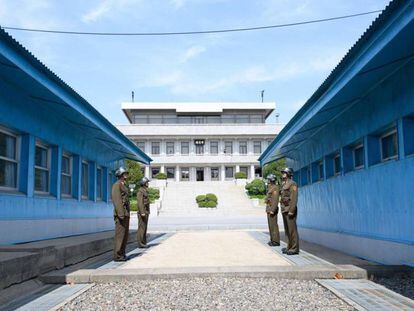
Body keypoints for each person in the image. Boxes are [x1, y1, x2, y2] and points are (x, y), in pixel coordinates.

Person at [112, 166, 130, 261]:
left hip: (125, 213)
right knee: (120, 235)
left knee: (125, 235)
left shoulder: (123, 184)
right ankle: (117, 255)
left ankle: (122, 253)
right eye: (125, 173)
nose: (126, 175)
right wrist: (121, 213)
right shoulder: (117, 185)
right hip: (121, 214)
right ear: (121, 175)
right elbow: (117, 199)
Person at [280, 167, 300, 255]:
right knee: (287, 230)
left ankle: (294, 248)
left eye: (284, 172)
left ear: (289, 174)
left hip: (289, 210)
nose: (283, 174)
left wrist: (291, 210)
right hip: (284, 209)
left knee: (292, 230)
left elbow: (294, 198)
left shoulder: (293, 184)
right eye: (283, 172)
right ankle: (289, 246)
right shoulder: (284, 184)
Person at [265, 174, 280, 246]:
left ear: (272, 180)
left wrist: (273, 210)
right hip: (269, 208)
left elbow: (275, 199)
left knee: (274, 225)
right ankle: (272, 239)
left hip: (272, 209)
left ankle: (276, 241)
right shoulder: (270, 187)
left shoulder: (275, 188)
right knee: (270, 226)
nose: (268, 181)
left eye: (269, 179)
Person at [137, 177, 150, 248]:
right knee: (142, 228)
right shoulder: (140, 191)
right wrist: (142, 212)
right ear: (144, 183)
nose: (148, 184)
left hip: (146, 211)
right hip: (143, 212)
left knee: (144, 227)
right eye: (147, 182)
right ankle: (141, 243)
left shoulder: (145, 190)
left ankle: (144, 242)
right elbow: (140, 203)